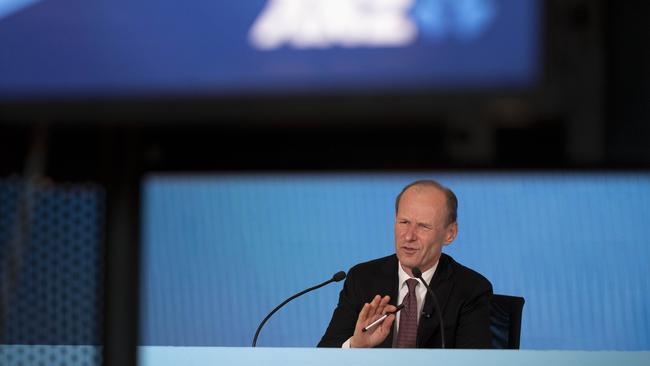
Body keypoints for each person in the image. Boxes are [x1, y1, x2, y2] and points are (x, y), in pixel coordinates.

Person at [318, 180, 493, 348]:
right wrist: (356, 345)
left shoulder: (471, 289)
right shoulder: (362, 279)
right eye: (404, 222)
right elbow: (325, 353)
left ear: (450, 233)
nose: (409, 236)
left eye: (423, 226)